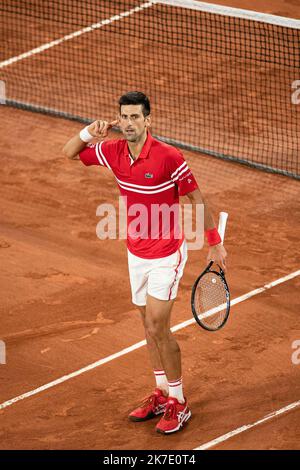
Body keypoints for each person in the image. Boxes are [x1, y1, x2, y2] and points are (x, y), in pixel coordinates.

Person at [63, 91, 227, 434]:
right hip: (134, 253)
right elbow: (68, 153)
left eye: (135, 117)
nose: (128, 123)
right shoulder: (113, 152)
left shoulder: (169, 157)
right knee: (146, 327)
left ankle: (179, 402)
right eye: (124, 117)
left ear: (147, 121)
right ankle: (161, 392)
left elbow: (196, 197)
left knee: (156, 326)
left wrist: (215, 244)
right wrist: (89, 132)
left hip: (167, 253)